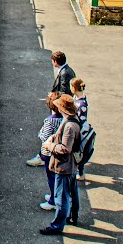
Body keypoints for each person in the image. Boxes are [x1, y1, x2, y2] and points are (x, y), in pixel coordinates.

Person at [40, 95, 82, 234]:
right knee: (73, 193)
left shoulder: (69, 126)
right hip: (71, 165)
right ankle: (72, 217)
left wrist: (50, 145)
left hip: (64, 166)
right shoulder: (72, 120)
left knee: (61, 198)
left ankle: (57, 225)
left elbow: (65, 149)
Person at [71, 78, 95, 180]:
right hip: (81, 128)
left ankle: (80, 172)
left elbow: (80, 119)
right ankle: (79, 171)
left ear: (74, 88)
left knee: (78, 151)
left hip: (80, 130)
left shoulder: (81, 104)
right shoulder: (79, 98)